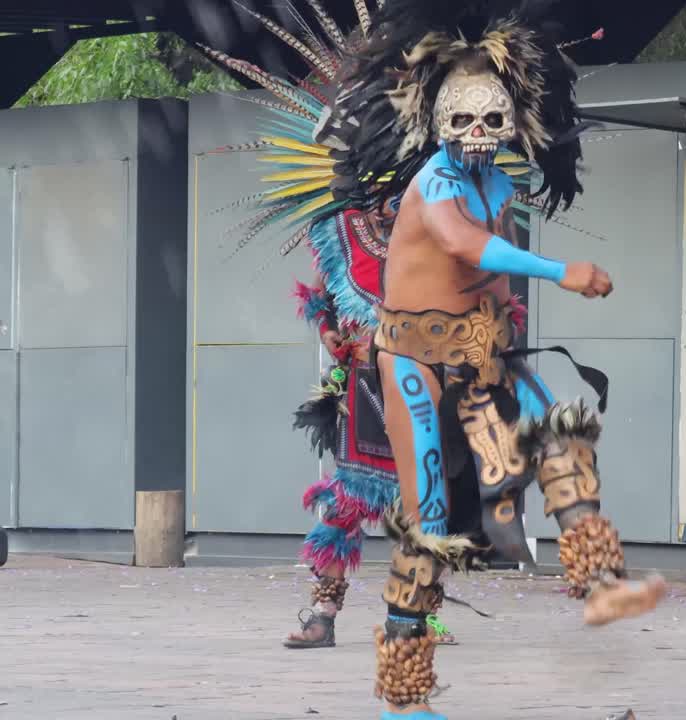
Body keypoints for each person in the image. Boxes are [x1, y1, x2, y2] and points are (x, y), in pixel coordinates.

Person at [329, 3, 667, 718]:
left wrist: (506, 342)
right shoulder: (435, 185)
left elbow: (491, 273)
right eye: (464, 122)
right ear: (437, 121)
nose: (478, 137)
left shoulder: (500, 187)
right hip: (413, 359)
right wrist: (561, 270)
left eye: (492, 121)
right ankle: (403, 694)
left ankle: (600, 579)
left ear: (514, 118)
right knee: (429, 514)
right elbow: (465, 247)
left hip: (481, 352)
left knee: (559, 431)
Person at [203, 1, 461, 650]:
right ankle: (323, 612)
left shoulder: (437, 229)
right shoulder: (341, 230)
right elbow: (325, 305)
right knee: (346, 503)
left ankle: (419, 614)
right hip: (363, 389)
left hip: (420, 386)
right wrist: (345, 341)